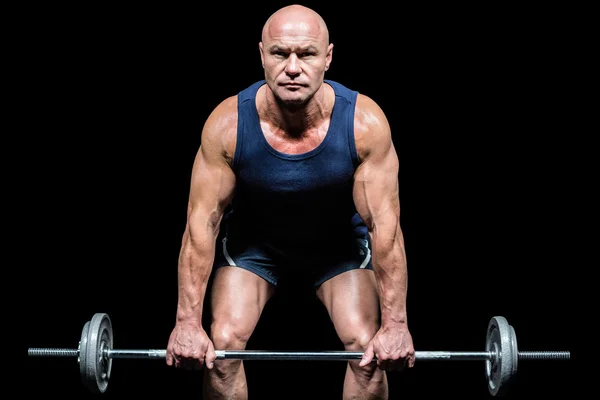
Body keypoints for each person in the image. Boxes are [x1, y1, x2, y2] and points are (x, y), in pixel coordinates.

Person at [165, 4, 415, 399]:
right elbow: (201, 226)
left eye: (307, 54)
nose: (293, 67)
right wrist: (186, 323)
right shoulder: (227, 126)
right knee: (223, 346)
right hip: (255, 247)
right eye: (281, 53)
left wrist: (396, 325)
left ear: (328, 58)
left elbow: (385, 228)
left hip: (337, 249)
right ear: (262, 54)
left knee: (368, 349)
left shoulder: (364, 125)